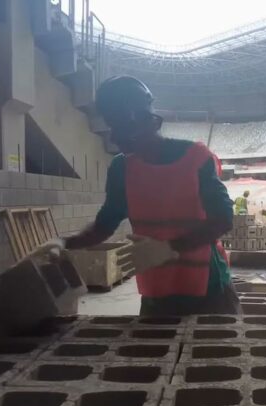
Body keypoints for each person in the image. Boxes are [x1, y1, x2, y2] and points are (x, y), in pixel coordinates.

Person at [45, 76, 240, 317]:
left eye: (124, 128)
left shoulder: (195, 158)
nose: (116, 138)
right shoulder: (122, 169)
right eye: (112, 127)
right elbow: (103, 226)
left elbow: (223, 219)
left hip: (209, 288)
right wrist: (65, 242)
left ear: (151, 122)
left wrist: (170, 248)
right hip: (157, 292)